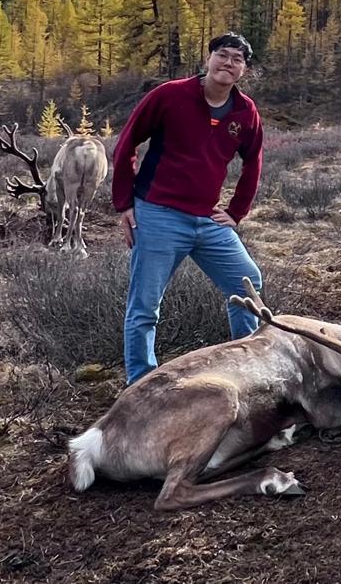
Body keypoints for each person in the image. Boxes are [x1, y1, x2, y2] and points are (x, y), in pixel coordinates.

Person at [111, 32, 266, 385]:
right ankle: (141, 382)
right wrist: (124, 202)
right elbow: (126, 144)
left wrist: (236, 211)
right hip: (158, 214)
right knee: (145, 306)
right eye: (222, 55)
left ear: (244, 69)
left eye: (237, 59)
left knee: (247, 284)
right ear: (208, 58)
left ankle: (249, 370)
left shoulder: (245, 112)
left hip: (208, 219)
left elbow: (253, 161)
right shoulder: (170, 95)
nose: (228, 63)